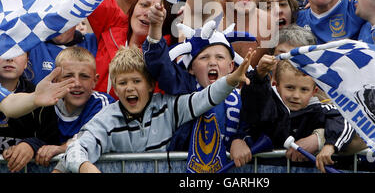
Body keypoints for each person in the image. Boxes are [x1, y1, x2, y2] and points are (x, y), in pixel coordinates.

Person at [54, 44, 253, 173]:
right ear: (114, 88)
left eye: (136, 81)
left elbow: (204, 98)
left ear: (150, 85)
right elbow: (77, 147)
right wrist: (85, 167)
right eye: (122, 83)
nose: (130, 88)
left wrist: (229, 81)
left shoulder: (169, 106)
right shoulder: (106, 118)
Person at [144, 1, 256, 172]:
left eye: (220, 57)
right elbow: (160, 66)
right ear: (190, 68)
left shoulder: (243, 97)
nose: (212, 62)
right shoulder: (184, 88)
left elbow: (255, 125)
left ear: (231, 66)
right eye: (204, 58)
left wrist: (241, 139)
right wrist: (155, 29)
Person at [232, 58, 355, 173]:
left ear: (314, 91)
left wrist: (329, 145)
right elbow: (253, 98)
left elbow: (346, 120)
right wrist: (258, 75)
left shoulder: (321, 111)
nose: (296, 95)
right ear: (275, 85)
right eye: (290, 88)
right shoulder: (269, 107)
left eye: (304, 89)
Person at [34, 46, 115, 168]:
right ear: (56, 80)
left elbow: (90, 138)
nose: (77, 83)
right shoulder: (46, 106)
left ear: (95, 80)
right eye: (68, 76)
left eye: (84, 76)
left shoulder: (102, 103)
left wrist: (61, 149)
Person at [0, 52, 61, 173]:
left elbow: (51, 139)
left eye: (17, 52)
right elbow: (9, 105)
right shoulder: (38, 97)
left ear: (27, 61)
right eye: (3, 50)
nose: (9, 58)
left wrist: (31, 145)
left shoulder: (40, 96)